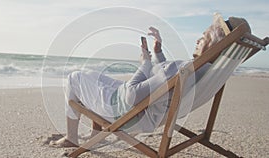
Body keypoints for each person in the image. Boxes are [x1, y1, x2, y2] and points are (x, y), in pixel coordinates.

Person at [49, 14, 251, 148]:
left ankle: (72, 138)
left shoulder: (184, 68)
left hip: (126, 113)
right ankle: (94, 137)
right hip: (147, 115)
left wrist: (144, 64)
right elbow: (170, 85)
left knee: (75, 77)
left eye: (204, 36)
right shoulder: (203, 72)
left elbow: (131, 96)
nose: (198, 39)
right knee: (92, 75)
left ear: (216, 43)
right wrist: (158, 53)